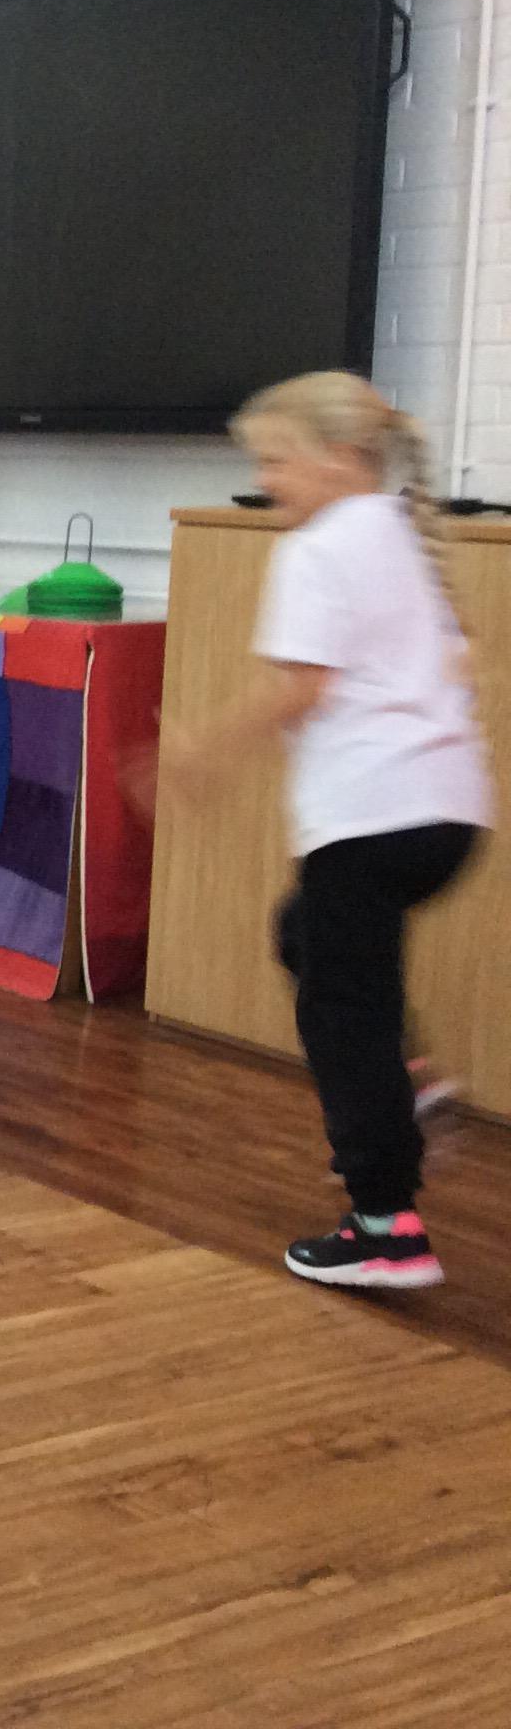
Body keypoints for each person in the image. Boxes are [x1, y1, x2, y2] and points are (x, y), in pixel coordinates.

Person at [166, 373, 490, 1290]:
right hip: (448, 819)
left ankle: (387, 1228)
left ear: (343, 458)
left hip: (373, 817)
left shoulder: (318, 548)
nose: (265, 480)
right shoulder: (401, 532)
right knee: (304, 932)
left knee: (344, 1018)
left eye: (278, 460)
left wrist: (201, 752)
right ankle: (408, 1079)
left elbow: (301, 689)